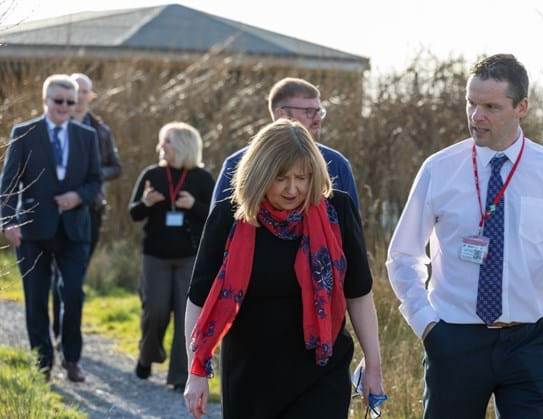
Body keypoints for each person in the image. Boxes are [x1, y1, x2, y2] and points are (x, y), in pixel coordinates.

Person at [386, 54, 543, 419]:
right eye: (471, 104)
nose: (477, 116)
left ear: (521, 107)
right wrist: (428, 327)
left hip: (529, 342)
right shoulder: (439, 169)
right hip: (455, 339)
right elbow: (403, 257)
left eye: (491, 107)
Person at [184, 119, 383, 419]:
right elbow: (198, 299)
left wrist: (374, 366)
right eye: (281, 178)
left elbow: (359, 294)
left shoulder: (337, 211)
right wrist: (195, 371)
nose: (293, 189)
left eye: (302, 178)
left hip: (321, 368)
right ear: (260, 175)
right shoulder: (229, 216)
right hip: (250, 374)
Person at [1, 74, 102, 382]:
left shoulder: (86, 136)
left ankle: (72, 359)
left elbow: (95, 181)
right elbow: (7, 185)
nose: (64, 107)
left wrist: (78, 196)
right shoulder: (24, 132)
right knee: (35, 298)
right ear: (45, 100)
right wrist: (7, 221)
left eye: (70, 102)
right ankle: (42, 364)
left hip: (74, 231)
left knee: (73, 295)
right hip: (32, 230)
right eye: (58, 101)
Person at [128, 122, 215, 390]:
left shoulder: (202, 178)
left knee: (186, 317)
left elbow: (216, 217)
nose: (161, 146)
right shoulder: (152, 174)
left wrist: (195, 206)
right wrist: (147, 203)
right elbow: (134, 213)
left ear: (183, 145)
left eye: (167, 141)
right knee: (155, 311)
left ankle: (179, 377)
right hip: (155, 255)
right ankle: (148, 355)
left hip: (190, 256)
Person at [211, 77, 360, 210]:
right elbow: (218, 226)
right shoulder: (238, 164)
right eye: (308, 111)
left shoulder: (336, 164)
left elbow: (351, 230)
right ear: (281, 114)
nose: (317, 119)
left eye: (319, 111)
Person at [52, 72, 123, 344]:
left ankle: (69, 329)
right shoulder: (55, 125)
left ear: (91, 96)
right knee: (57, 274)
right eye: (76, 91)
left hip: (91, 208)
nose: (80, 97)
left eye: (85, 92)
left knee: (75, 274)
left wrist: (90, 176)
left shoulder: (100, 130)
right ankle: (60, 329)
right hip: (57, 208)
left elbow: (116, 167)